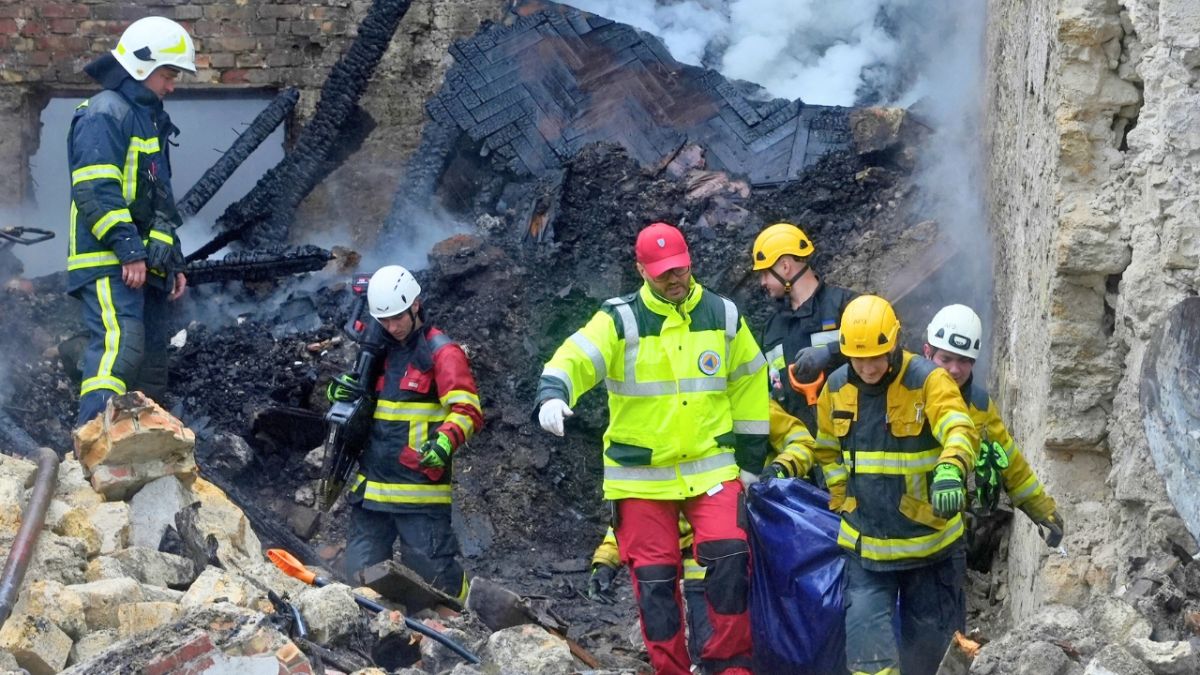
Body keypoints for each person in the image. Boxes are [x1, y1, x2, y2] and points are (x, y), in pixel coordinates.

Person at [535, 222, 768, 675]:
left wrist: (751, 464)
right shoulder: (619, 319)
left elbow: (750, 382)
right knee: (655, 584)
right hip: (640, 478)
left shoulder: (722, 315)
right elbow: (576, 357)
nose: (674, 280)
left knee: (730, 556)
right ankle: (671, 670)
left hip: (711, 468)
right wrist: (552, 393)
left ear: (690, 261)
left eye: (680, 269)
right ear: (641, 270)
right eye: (662, 274)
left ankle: (730, 667)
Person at [764, 295, 978, 675]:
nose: (867, 367)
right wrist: (843, 498)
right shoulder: (835, 388)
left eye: (875, 357)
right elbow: (827, 450)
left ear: (894, 343)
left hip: (929, 548)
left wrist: (951, 468)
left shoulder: (928, 380)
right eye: (857, 359)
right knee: (870, 662)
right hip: (867, 551)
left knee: (931, 661)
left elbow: (959, 427)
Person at [328, 265, 483, 600]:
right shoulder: (375, 352)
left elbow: (467, 410)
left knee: (436, 582)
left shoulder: (443, 352)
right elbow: (362, 406)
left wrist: (445, 442)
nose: (392, 327)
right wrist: (340, 394)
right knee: (359, 578)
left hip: (419, 493)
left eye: (397, 317)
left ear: (415, 305)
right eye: (384, 320)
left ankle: (469, 617)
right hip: (372, 491)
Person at [69, 17, 195, 426]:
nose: (172, 86)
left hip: (142, 265)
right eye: (168, 75)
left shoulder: (150, 120)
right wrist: (128, 248)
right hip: (109, 259)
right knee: (119, 349)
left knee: (150, 364)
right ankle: (92, 442)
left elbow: (161, 201)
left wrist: (172, 260)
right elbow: (95, 189)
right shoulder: (105, 112)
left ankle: (143, 451)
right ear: (142, 65)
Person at [923, 305, 1065, 553]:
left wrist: (1042, 509)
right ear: (927, 352)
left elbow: (1010, 463)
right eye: (946, 359)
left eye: (963, 361)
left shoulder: (979, 406)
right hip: (894, 533)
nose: (954, 370)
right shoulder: (904, 393)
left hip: (946, 537)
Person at [752, 222, 858, 434]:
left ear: (785, 266)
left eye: (765, 273)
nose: (762, 282)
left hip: (852, 438)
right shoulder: (771, 329)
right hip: (800, 447)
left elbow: (886, 353)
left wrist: (831, 352)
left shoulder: (847, 307)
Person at [588, 518, 712, 667]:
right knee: (660, 626)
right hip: (658, 552)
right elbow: (625, 522)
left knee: (707, 630)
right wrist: (605, 564)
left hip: (701, 550)